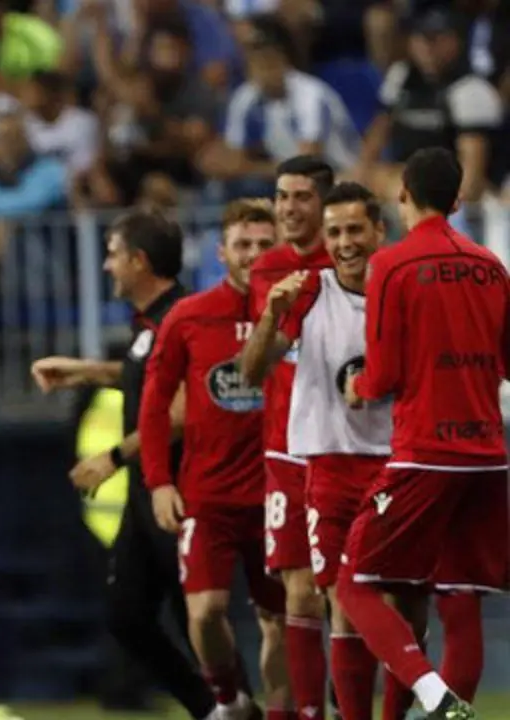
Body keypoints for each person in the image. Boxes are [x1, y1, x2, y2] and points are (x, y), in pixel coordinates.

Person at [337, 148, 507, 720]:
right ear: (457, 201)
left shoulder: (392, 264)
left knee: (354, 584)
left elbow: (382, 375)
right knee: (461, 602)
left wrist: (357, 385)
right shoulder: (491, 265)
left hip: (425, 454)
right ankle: (454, 707)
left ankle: (433, 695)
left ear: (402, 194)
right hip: (488, 456)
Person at [31, 211, 219, 720]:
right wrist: (86, 372)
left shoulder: (181, 318)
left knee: (196, 619)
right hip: (145, 494)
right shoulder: (149, 324)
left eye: (113, 254)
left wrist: (113, 457)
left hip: (174, 491)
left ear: (139, 261)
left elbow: (179, 411)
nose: (106, 265)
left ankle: (228, 705)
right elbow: (147, 375)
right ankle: (214, 708)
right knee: (127, 616)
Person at [240, 182, 395, 720]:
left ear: (379, 230)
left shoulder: (401, 291)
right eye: (335, 233)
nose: (345, 242)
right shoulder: (307, 293)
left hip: (394, 465)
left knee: (393, 601)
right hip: (327, 465)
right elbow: (251, 372)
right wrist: (269, 315)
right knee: (327, 595)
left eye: (355, 230)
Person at [139, 200, 288, 720]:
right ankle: (229, 699)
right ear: (221, 252)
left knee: (280, 619)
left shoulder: (298, 312)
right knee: (204, 612)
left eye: (265, 244)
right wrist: (159, 481)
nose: (254, 254)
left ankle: (281, 712)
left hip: (278, 495)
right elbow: (155, 404)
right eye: (243, 244)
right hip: (209, 495)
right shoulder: (188, 316)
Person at [237, 154, 336, 720]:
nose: (289, 208)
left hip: (348, 446)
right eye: (282, 196)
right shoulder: (269, 270)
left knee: (355, 592)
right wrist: (273, 314)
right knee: (299, 590)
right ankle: (310, 712)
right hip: (286, 447)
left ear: (324, 202)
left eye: (301, 196)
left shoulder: (349, 261)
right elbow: (254, 369)